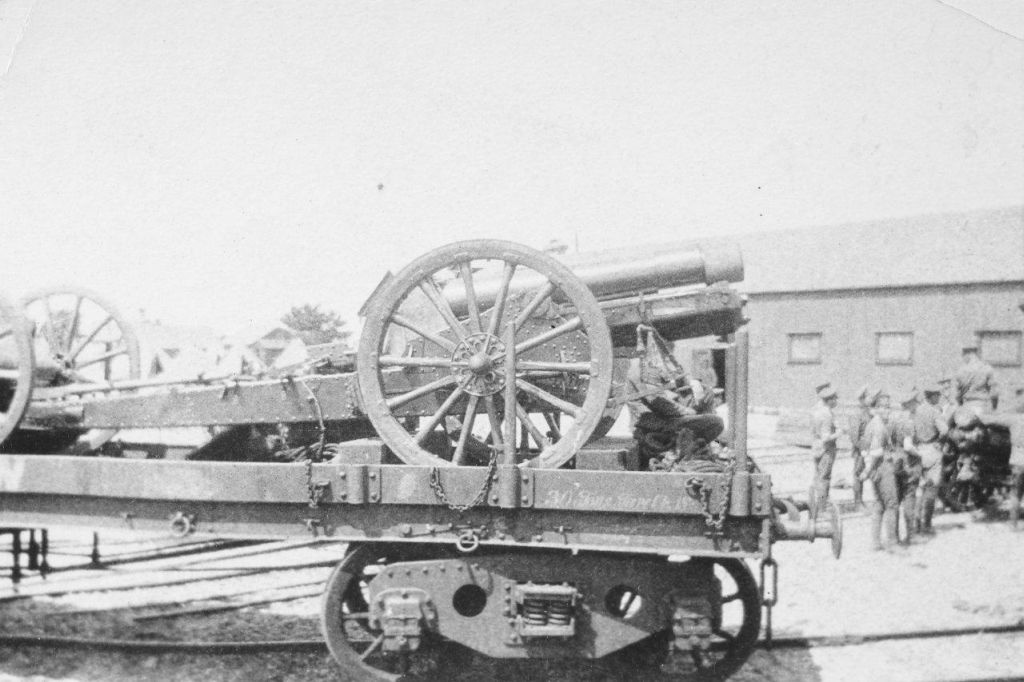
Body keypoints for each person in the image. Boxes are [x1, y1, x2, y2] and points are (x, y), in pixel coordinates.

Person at [860, 388, 900, 551]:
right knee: (891, 504)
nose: (886, 410)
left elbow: (863, 448)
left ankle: (875, 542)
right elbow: (876, 451)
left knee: (878, 505)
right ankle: (891, 542)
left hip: (877, 469)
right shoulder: (878, 426)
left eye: (888, 407)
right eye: (883, 407)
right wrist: (868, 469)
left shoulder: (872, 424)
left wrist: (868, 468)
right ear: (875, 408)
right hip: (883, 468)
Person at [914, 385, 949, 533]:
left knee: (919, 489)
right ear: (932, 396)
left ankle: (915, 524)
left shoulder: (917, 410)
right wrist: (939, 442)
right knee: (931, 489)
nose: (939, 398)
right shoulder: (934, 411)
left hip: (917, 450)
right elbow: (945, 430)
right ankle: (926, 524)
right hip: (932, 450)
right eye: (937, 396)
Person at [810, 383, 841, 506]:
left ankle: (815, 503)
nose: (836, 401)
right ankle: (822, 505)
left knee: (818, 476)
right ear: (829, 400)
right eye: (834, 398)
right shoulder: (827, 414)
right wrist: (839, 433)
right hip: (826, 449)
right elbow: (826, 438)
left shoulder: (816, 410)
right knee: (825, 477)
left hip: (816, 446)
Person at [848, 385, 873, 509]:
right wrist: (862, 449)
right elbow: (854, 437)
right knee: (858, 475)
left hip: (869, 448)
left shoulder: (868, 412)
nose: (871, 398)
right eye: (868, 396)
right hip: (861, 451)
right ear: (862, 399)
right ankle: (858, 502)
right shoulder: (856, 414)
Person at [955, 346, 998, 414]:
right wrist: (994, 408)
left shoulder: (960, 371)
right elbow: (994, 393)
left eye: (963, 356)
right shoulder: (987, 368)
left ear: (967, 354)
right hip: (983, 406)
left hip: (966, 407)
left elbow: (958, 395)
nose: (963, 359)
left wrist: (961, 406)